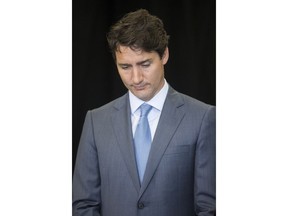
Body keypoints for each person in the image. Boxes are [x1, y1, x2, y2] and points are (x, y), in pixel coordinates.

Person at [73, 9, 216, 216]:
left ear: (164, 55)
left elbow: (209, 208)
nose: (136, 78)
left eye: (145, 64)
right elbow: (84, 205)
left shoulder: (203, 118)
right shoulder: (96, 121)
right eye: (125, 67)